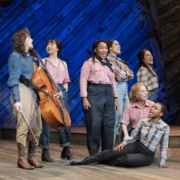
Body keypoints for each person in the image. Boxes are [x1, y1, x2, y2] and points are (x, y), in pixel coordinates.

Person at [70, 102, 173, 168]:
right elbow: (133, 136)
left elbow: (164, 146)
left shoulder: (164, 127)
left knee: (128, 159)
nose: (151, 109)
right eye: (152, 107)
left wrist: (162, 161)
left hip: (147, 154)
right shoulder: (143, 122)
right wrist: (124, 143)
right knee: (114, 152)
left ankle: (104, 160)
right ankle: (83, 161)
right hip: (137, 145)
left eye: (155, 108)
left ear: (161, 114)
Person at [7, 28, 43, 170]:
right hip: (22, 91)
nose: (32, 40)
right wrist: (17, 100)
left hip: (34, 93)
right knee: (24, 125)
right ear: (23, 41)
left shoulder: (31, 59)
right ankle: (22, 159)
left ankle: (31, 157)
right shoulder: (15, 56)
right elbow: (13, 80)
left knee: (37, 126)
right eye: (29, 38)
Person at [80, 40, 118, 155]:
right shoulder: (89, 63)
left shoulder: (109, 64)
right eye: (101, 48)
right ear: (95, 50)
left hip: (108, 93)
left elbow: (113, 82)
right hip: (94, 93)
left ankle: (107, 153)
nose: (104, 50)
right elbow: (83, 81)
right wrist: (84, 97)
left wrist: (115, 97)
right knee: (94, 124)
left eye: (106, 48)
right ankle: (94, 154)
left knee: (109, 123)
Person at [39, 39, 72, 162]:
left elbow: (66, 81)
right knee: (46, 122)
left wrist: (63, 91)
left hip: (60, 92)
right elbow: (40, 78)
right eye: (47, 44)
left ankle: (66, 149)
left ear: (57, 48)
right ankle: (45, 151)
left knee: (64, 120)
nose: (48, 46)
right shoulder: (43, 62)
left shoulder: (63, 63)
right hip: (47, 93)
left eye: (51, 44)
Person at [107, 39, 134, 144]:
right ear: (110, 47)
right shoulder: (109, 59)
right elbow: (120, 75)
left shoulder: (119, 60)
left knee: (126, 119)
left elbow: (131, 74)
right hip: (117, 88)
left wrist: (124, 74)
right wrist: (125, 73)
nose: (119, 46)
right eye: (116, 44)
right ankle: (110, 148)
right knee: (116, 120)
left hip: (124, 88)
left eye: (119, 44)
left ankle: (123, 146)